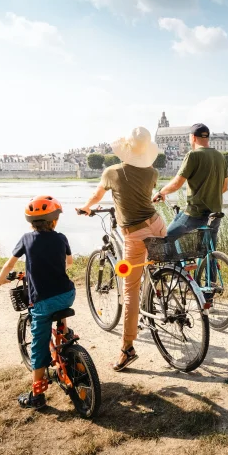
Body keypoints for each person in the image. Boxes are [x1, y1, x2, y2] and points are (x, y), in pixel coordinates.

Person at [76, 127, 165, 372]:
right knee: (160, 265)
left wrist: (85, 208)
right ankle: (162, 296)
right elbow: (143, 194)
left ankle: (127, 349)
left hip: (135, 233)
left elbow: (97, 196)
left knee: (130, 290)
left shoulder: (113, 172)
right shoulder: (152, 172)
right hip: (157, 224)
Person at [0, 195, 76, 410]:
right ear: (54, 221)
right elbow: (69, 262)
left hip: (42, 302)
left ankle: (37, 396)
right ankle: (64, 336)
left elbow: (9, 264)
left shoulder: (26, 239)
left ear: (30, 223)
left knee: (39, 345)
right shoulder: (62, 238)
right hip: (68, 294)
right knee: (59, 307)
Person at [153, 123, 228, 251]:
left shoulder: (193, 155)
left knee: (167, 236)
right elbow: (224, 187)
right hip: (215, 213)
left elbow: (177, 183)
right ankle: (210, 269)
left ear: (193, 137)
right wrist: (210, 193)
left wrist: (161, 192)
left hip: (195, 214)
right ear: (208, 138)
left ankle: (174, 270)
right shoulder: (220, 156)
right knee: (208, 252)